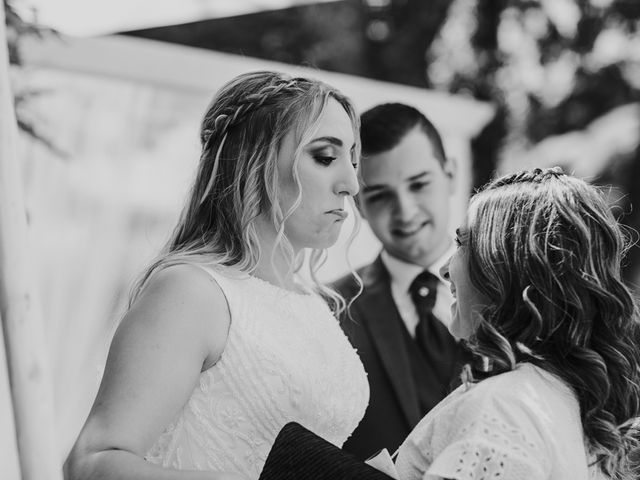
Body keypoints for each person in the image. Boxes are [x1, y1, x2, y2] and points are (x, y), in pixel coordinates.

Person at [64, 71, 369, 480]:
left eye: (352, 160)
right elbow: (92, 462)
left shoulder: (310, 302)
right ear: (254, 161)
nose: (350, 183)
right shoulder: (192, 291)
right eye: (326, 158)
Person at [395, 167, 640, 480]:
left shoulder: (500, 407)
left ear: (506, 266)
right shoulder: (565, 401)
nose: (444, 269)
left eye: (462, 244)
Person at [334, 103, 466, 460]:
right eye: (379, 195)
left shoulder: (517, 292)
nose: (405, 211)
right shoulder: (327, 310)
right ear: (359, 204)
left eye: (419, 184)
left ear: (450, 174)